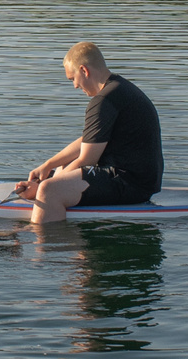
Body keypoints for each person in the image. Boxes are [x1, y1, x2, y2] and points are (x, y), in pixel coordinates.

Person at [12, 41, 163, 227]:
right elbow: (90, 141)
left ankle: (39, 241)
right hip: (142, 180)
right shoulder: (120, 89)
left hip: (130, 184)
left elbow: (87, 159)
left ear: (84, 70)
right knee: (61, 168)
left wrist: (41, 188)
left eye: (72, 79)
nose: (75, 86)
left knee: (49, 190)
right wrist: (48, 165)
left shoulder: (103, 101)